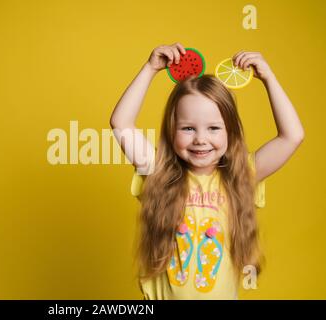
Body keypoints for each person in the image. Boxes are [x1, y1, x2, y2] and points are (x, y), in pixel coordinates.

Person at [109, 42, 304, 299]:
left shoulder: (240, 176)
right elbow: (121, 123)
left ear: (230, 132)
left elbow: (292, 136)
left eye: (213, 128)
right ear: (172, 131)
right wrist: (150, 68)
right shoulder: (159, 173)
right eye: (188, 128)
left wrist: (268, 78)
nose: (200, 139)